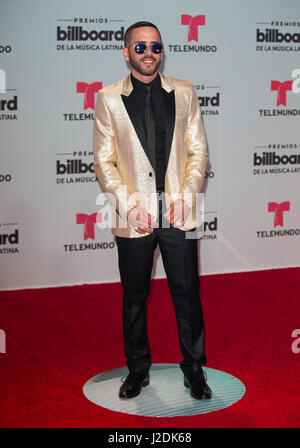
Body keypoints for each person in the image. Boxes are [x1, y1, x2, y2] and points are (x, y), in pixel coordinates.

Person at [93, 21, 211, 400]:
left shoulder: (185, 91)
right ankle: (137, 369)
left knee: (187, 291)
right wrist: (128, 207)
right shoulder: (109, 98)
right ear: (126, 53)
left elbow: (198, 153)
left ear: (163, 51)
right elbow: (103, 161)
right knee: (134, 295)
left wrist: (186, 196)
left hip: (179, 211)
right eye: (140, 48)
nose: (149, 54)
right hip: (135, 216)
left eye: (156, 47)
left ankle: (194, 369)